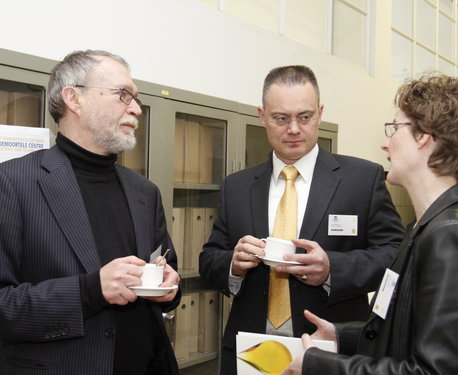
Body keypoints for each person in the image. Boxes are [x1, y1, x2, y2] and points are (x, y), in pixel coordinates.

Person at [199, 65, 405, 374]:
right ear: (262, 116)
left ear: (320, 113)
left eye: (305, 117)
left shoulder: (362, 180)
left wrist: (333, 269)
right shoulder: (237, 186)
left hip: (328, 347)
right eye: (281, 118)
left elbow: (395, 255)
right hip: (251, 349)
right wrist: (233, 263)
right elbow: (209, 259)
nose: (294, 129)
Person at [283, 75, 458, 375]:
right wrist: (342, 336)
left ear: (424, 135)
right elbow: (406, 332)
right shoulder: (424, 227)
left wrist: (319, 364)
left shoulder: (452, 235)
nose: (385, 143)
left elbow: (433, 371)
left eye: (395, 128)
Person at [0, 50, 181, 374]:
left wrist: (168, 287)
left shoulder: (144, 191)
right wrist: (91, 290)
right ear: (74, 99)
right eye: (123, 95)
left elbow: (168, 271)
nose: (137, 109)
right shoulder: (13, 183)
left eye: (136, 98)